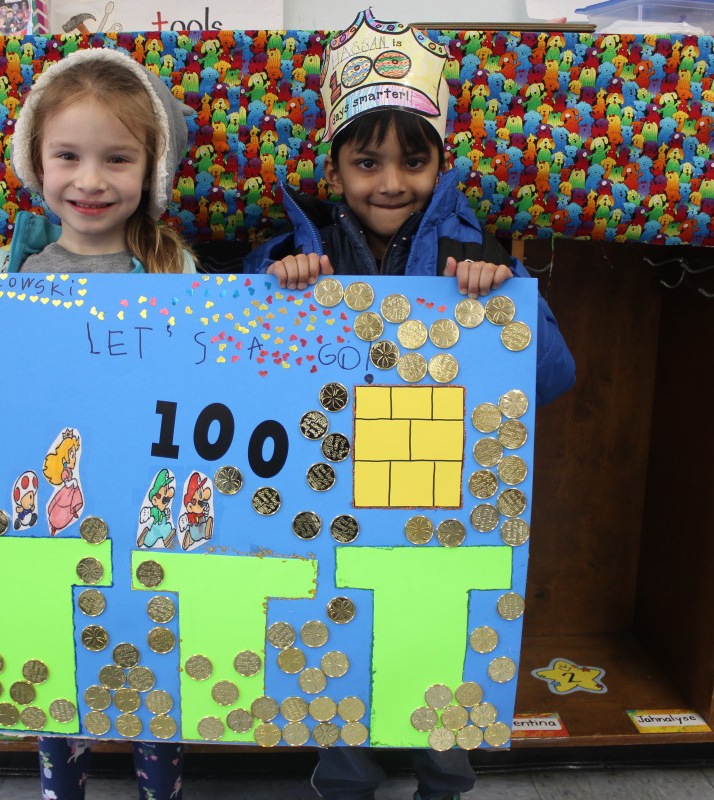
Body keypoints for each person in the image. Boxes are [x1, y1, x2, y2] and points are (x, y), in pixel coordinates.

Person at [247, 10, 575, 800]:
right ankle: (345, 773)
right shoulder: (294, 250)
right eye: (367, 163)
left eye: (412, 163)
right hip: (326, 489)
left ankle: (442, 775)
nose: (390, 182)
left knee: (434, 635)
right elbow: (242, 363)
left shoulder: (475, 254)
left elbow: (555, 374)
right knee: (336, 624)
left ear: (441, 167)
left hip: (438, 492)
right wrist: (279, 283)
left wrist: (503, 303)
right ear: (336, 172)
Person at [0, 46, 195, 800]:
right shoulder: (0, 273)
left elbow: (195, 389)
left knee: (153, 660)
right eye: (68, 156)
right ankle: (63, 789)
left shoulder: (175, 271)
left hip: (139, 507)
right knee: (52, 668)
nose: (90, 181)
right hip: (37, 506)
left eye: (117, 159)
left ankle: (162, 789)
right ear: (36, 160)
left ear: (151, 172)